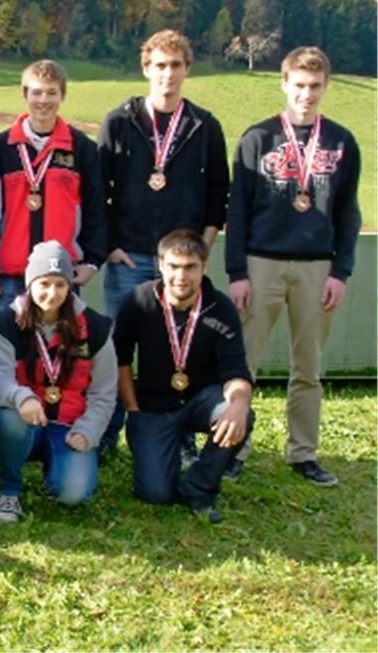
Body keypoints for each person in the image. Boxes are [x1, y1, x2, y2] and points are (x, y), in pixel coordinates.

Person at [225, 46, 361, 487]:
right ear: (284, 83)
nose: (306, 94)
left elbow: (347, 214)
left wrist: (341, 272)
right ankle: (233, 448)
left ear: (326, 87)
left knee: (309, 367)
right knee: (244, 363)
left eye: (315, 86)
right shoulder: (257, 139)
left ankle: (303, 452)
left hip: (316, 268)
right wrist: (237, 273)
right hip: (260, 262)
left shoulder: (341, 143)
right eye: (299, 85)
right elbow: (238, 212)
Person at [97, 29, 229, 458]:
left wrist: (202, 250)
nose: (167, 74)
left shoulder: (205, 127)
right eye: (159, 65)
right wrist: (110, 244)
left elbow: (217, 197)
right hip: (129, 256)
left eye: (175, 65)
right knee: (117, 349)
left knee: (183, 348)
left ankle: (184, 435)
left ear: (187, 70)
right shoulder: (119, 121)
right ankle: (110, 431)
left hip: (183, 264)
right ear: (145, 68)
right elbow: (97, 192)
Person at [115, 229, 254, 523]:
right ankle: (164, 451)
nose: (181, 276)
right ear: (161, 265)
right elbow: (121, 361)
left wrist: (240, 404)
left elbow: (236, 372)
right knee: (156, 494)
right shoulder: (138, 301)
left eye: (191, 267)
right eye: (174, 266)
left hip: (200, 401)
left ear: (204, 267)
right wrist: (133, 410)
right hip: (152, 407)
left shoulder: (221, 307)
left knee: (241, 413)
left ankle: (199, 487)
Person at [0, 240, 117, 522]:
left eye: (60, 284)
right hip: (25, 422)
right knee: (8, 421)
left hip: (70, 427)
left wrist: (89, 430)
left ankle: (56, 464)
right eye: (43, 283)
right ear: (30, 283)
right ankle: (9, 492)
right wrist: (22, 397)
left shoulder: (96, 327)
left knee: (72, 494)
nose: (51, 293)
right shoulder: (7, 324)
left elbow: (104, 392)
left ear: (70, 286)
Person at [0, 60, 106, 314]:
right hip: (11, 275)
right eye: (37, 92)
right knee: (11, 351)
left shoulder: (81, 148)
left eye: (52, 92)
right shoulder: (1, 147)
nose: (43, 100)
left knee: (60, 351)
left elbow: (96, 208)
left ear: (62, 96)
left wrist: (92, 261)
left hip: (62, 276)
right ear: (25, 95)